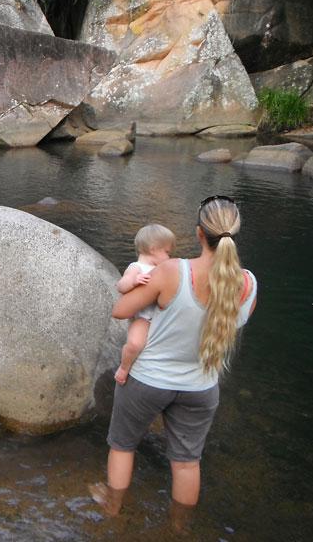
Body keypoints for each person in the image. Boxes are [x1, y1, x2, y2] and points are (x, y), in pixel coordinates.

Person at [89, 196, 257, 525]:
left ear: (198, 234)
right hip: (201, 387)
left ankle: (111, 509)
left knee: (123, 446)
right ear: (235, 235)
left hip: (148, 380)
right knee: (186, 462)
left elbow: (120, 310)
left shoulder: (171, 271)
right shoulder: (249, 283)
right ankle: (179, 528)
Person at [114, 224, 176, 386]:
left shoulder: (162, 269)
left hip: (159, 317)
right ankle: (124, 367)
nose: (169, 257)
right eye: (167, 252)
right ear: (154, 249)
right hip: (142, 318)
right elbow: (121, 285)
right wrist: (134, 281)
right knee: (135, 344)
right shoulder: (137, 267)